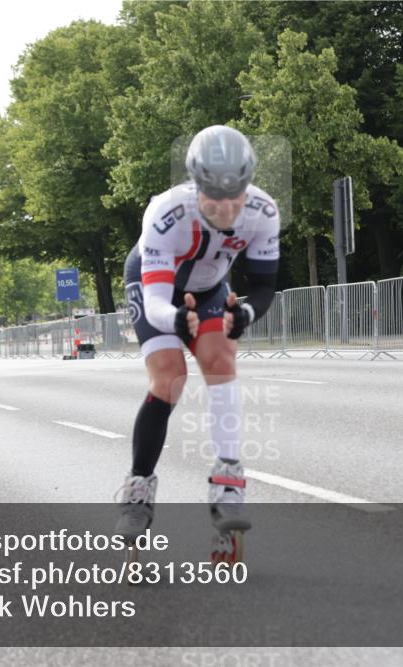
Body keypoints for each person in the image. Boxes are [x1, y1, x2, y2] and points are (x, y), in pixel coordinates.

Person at [114, 125, 280, 560]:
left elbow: (263, 286)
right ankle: (138, 487)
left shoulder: (264, 211)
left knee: (222, 358)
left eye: (235, 197)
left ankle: (228, 482)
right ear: (195, 185)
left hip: (208, 288)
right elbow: (153, 302)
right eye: (213, 198)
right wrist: (177, 322)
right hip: (155, 288)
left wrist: (245, 312)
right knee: (170, 377)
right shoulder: (166, 213)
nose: (226, 208)